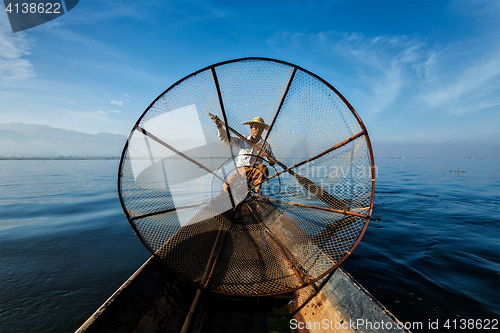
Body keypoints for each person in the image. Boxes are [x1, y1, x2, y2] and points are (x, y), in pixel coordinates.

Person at [210, 114, 275, 194]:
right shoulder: (242, 139)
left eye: (260, 128)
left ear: (262, 130)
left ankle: (257, 193)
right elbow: (225, 138)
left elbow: (272, 162)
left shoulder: (265, 145)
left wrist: (269, 156)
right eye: (255, 127)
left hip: (255, 173)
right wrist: (219, 126)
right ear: (251, 128)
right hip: (239, 172)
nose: (257, 129)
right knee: (226, 187)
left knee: (263, 168)